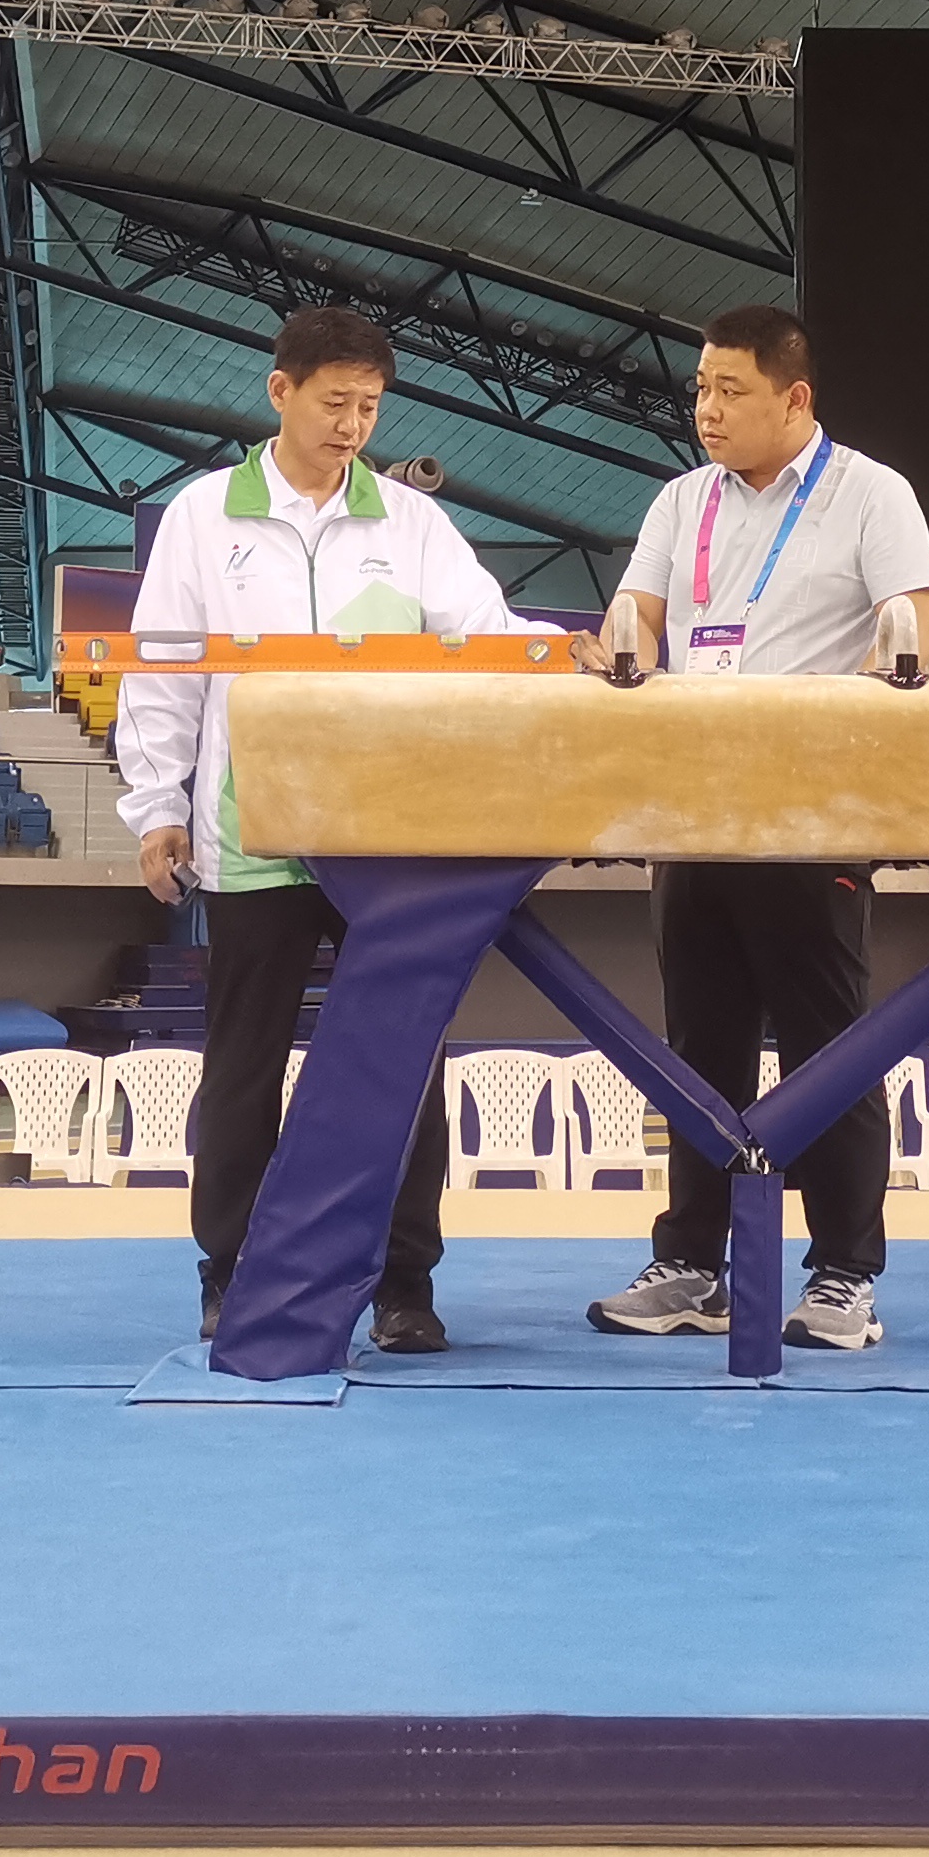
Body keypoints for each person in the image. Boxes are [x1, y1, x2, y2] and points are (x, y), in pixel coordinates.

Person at [114, 306, 536, 1356]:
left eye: (370, 407)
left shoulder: (410, 524)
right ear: (281, 391)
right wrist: (157, 809)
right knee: (243, 1065)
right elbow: (161, 674)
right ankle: (231, 1271)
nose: (352, 425)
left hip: (385, 843)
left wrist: (558, 650)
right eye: (335, 402)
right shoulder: (203, 516)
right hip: (251, 835)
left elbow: (486, 633)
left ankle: (404, 1282)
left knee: (404, 1061)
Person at [586, 305, 929, 1352]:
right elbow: (635, 626)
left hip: (811, 820)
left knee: (830, 1051)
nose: (705, 409)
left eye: (729, 391)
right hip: (693, 815)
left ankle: (842, 1274)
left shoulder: (872, 494)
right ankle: (693, 1264)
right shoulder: (679, 500)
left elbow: (914, 638)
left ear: (795, 400)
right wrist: (614, 658)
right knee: (699, 1052)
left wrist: (858, 702)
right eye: (700, 389)